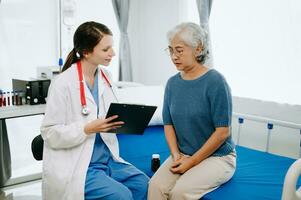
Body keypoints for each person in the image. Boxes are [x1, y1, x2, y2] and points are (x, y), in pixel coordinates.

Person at [41, 21, 149, 200]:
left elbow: (109, 113)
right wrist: (87, 128)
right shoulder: (63, 83)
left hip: (107, 159)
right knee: (121, 196)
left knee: (142, 185)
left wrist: (126, 120)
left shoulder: (106, 76)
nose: (113, 53)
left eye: (111, 47)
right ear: (86, 52)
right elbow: (49, 133)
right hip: (79, 164)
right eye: (106, 49)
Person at [148, 22, 236, 200]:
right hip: (182, 154)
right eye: (170, 50)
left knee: (180, 192)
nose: (173, 56)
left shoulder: (215, 81)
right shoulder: (172, 83)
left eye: (179, 50)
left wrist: (192, 162)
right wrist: (175, 155)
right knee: (155, 187)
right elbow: (168, 124)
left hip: (218, 157)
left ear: (198, 49)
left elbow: (222, 132)